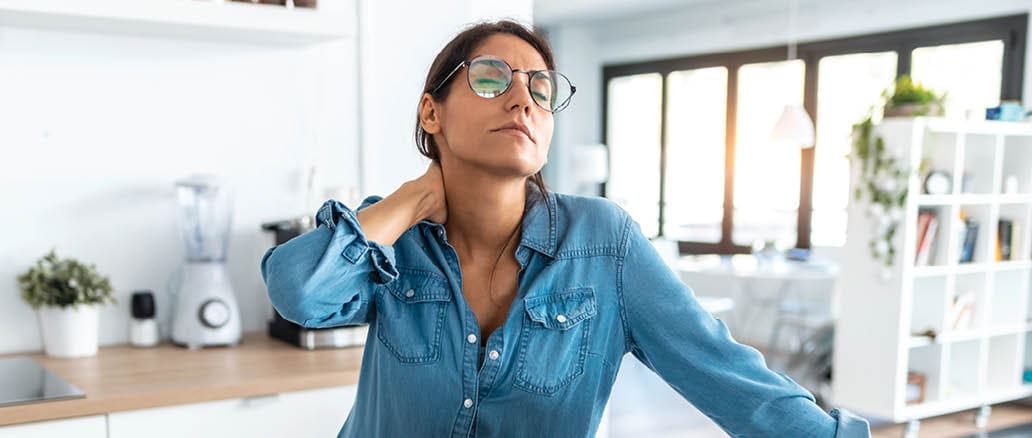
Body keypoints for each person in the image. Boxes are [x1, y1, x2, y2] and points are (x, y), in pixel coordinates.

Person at [261, 19, 871, 438]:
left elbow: (731, 378)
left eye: (540, 88)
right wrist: (414, 196)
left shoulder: (605, 243)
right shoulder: (389, 241)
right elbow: (298, 293)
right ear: (432, 112)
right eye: (492, 78)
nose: (522, 99)